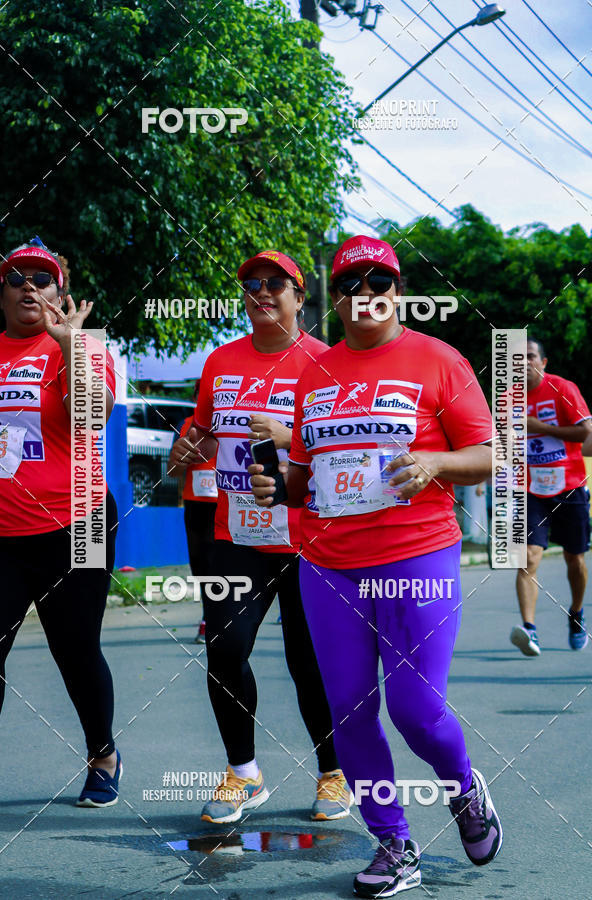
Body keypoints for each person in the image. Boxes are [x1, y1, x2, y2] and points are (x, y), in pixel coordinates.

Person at [250, 235, 502, 897]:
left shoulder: (438, 359)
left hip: (418, 556)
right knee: (350, 712)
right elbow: (306, 473)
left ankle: (464, 788)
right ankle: (392, 842)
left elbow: (489, 454)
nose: (366, 297)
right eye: (352, 286)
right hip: (329, 565)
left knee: (416, 710)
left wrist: (436, 464)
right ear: (334, 298)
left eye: (379, 285)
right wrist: (283, 488)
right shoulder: (316, 372)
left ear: (398, 292)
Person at [169, 249, 352, 824]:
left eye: (277, 283)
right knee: (224, 649)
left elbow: (350, 448)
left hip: (308, 538)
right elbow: (202, 429)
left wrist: (290, 431)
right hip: (237, 533)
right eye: (251, 284)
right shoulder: (221, 361)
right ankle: (244, 774)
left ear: (301, 296)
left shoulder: (329, 363)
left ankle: (333, 773)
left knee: (309, 661)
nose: (263, 292)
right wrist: (187, 449)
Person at [0, 236, 121, 806]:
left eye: (42, 278)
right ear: (1, 293)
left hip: (81, 523)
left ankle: (103, 752)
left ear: (60, 293)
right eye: (17, 276)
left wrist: (70, 345)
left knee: (75, 648)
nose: (30, 284)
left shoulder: (86, 346)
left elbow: (91, 416)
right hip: (3, 533)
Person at [510, 338, 592, 656]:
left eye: (530, 357)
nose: (524, 363)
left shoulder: (562, 388)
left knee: (576, 559)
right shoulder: (507, 398)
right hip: (529, 489)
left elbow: (586, 433)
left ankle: (576, 612)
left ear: (543, 362)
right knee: (528, 556)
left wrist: (540, 427)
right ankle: (529, 630)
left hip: (568, 485)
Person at [168, 379, 218, 644]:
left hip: (228, 506)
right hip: (196, 505)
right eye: (202, 396)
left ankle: (214, 619)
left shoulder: (236, 423)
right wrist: (181, 458)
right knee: (201, 564)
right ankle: (209, 614)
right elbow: (172, 471)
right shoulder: (187, 424)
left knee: (223, 563)